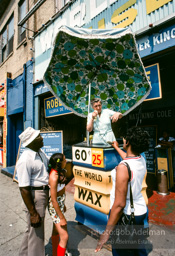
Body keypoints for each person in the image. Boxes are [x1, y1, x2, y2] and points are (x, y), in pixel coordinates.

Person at [95, 126, 150, 256]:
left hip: (126, 215)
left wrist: (106, 233)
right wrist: (117, 147)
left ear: (128, 142)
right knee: (137, 247)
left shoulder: (123, 168)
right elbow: (128, 157)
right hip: (140, 211)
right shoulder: (141, 159)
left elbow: (119, 205)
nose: (123, 140)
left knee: (121, 250)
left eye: (124, 139)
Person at [16, 127, 49, 256]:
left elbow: (47, 168)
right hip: (35, 196)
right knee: (37, 232)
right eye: (38, 137)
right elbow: (23, 188)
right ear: (31, 141)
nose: (42, 138)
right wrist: (33, 213)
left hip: (43, 193)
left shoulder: (40, 153)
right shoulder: (25, 160)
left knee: (31, 230)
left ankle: (23, 254)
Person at [47, 153, 71, 256]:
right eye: (64, 160)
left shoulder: (58, 172)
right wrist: (61, 217)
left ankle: (54, 254)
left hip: (59, 204)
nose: (66, 161)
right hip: (55, 207)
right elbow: (53, 200)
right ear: (59, 163)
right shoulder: (54, 177)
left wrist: (63, 205)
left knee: (56, 232)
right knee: (64, 236)